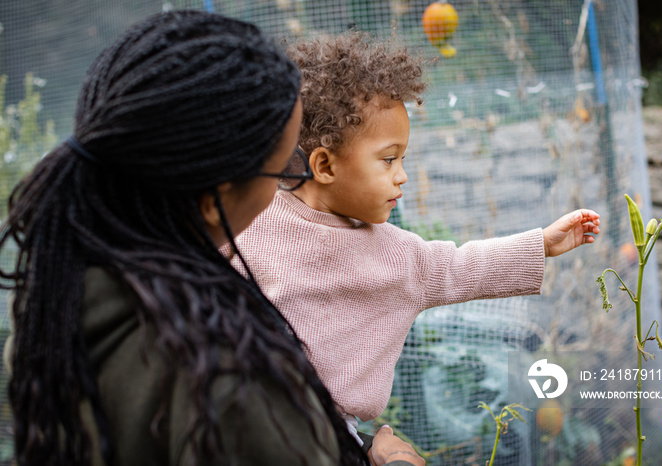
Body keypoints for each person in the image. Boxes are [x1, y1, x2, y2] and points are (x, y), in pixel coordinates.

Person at [0, 11, 424, 466]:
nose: (293, 182)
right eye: (284, 170)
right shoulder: (230, 380)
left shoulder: (57, 296)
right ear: (211, 199)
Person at [230, 32, 602, 442]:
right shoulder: (252, 219)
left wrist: (541, 244)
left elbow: (461, 267)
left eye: (402, 159)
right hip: (235, 417)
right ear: (325, 165)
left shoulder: (396, 255)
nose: (402, 175)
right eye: (389, 159)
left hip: (328, 436)